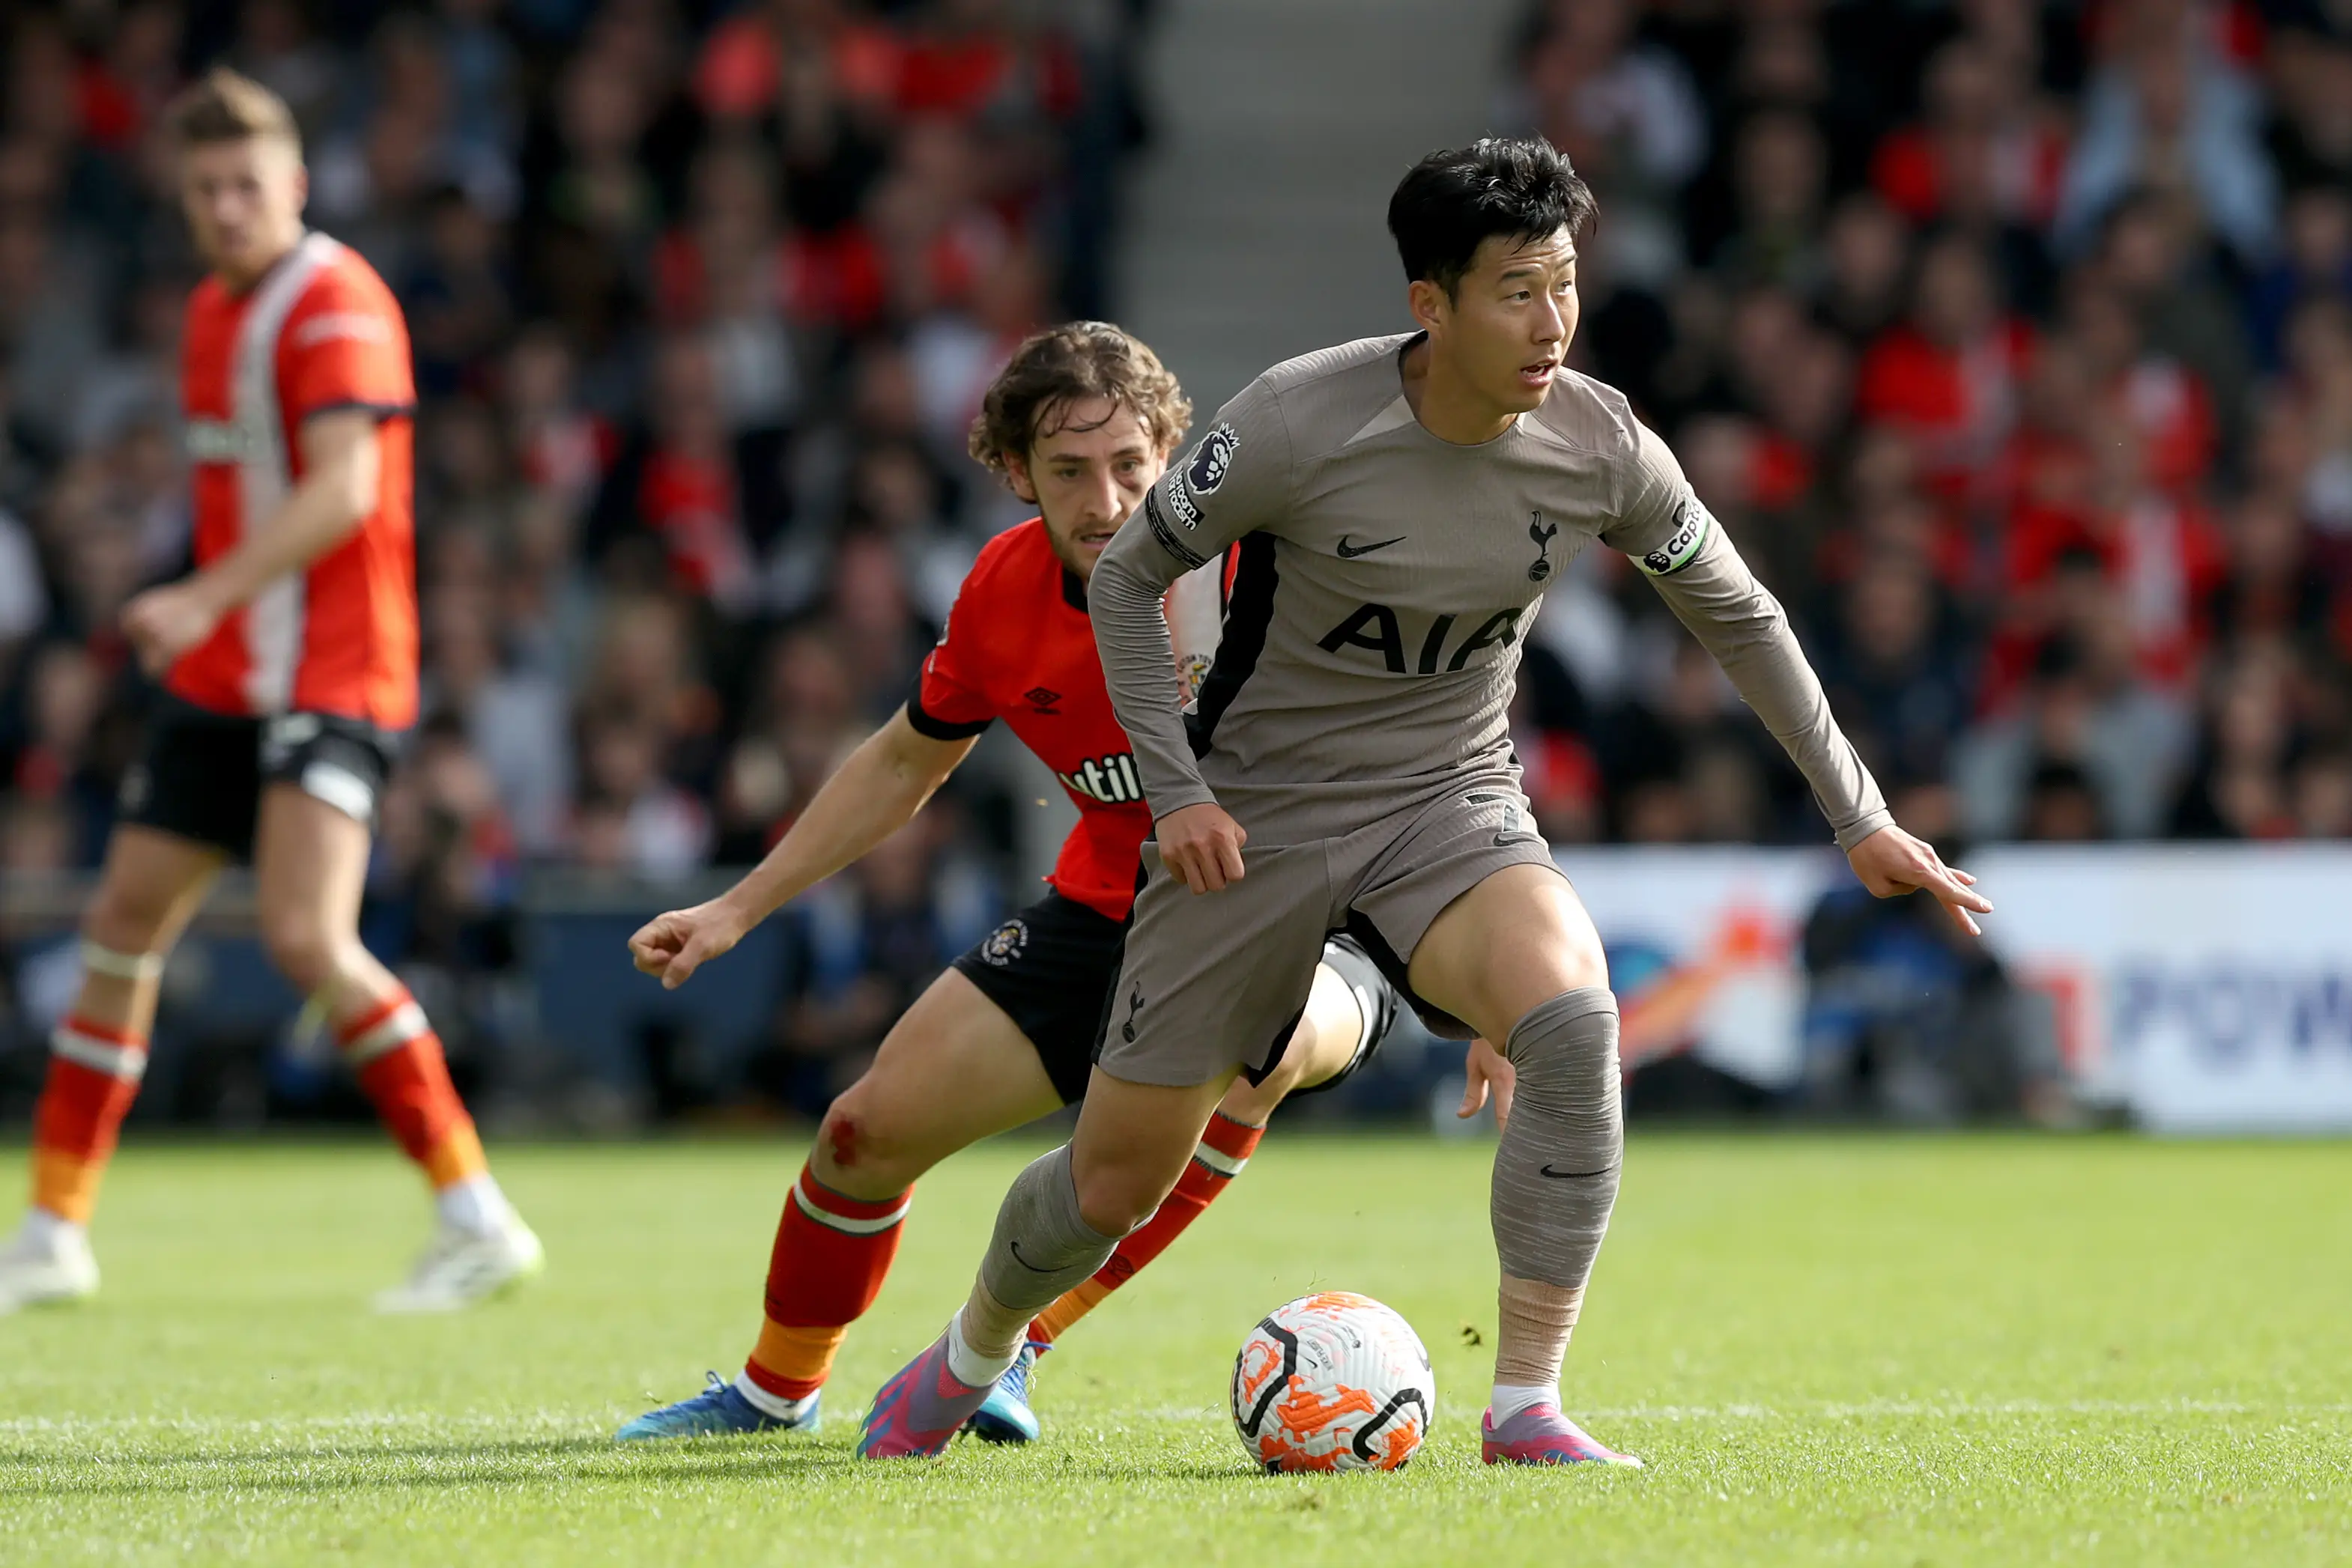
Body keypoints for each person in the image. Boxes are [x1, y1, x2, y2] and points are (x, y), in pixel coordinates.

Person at [856, 138, 1989, 1467]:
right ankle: (975, 1349)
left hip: (1448, 797)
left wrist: (1857, 813)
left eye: (1565, 282)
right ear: (1430, 305)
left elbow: (1739, 613)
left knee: (1570, 1018)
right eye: (1517, 289)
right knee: (1112, 1181)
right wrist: (1176, 796)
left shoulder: (1603, 441)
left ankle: (1525, 1407)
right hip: (1254, 816)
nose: (1552, 319)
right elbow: (1124, 579)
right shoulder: (1295, 421)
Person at [616, 323, 1479, 1445]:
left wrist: (1487, 993)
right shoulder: (1003, 592)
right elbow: (901, 760)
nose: (1108, 498)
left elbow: (1439, 742)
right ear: (1017, 473)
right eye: (1069, 471)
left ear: (1174, 455)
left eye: (1132, 464)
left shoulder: (1267, 569)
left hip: (1316, 920)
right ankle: (775, 1392)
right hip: (1111, 910)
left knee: (1252, 1057)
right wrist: (738, 903)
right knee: (858, 1136)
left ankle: (1016, 1341)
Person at [0, 70, 542, 1316]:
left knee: (307, 937)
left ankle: (476, 1213)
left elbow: (348, 491)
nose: (228, 205)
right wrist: (192, 606)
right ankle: (55, 1224)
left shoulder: (334, 301)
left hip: (331, 669)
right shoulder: (208, 313)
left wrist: (196, 592)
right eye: (204, 188)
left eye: (248, 182)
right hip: (227, 671)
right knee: (123, 919)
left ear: (296, 185)